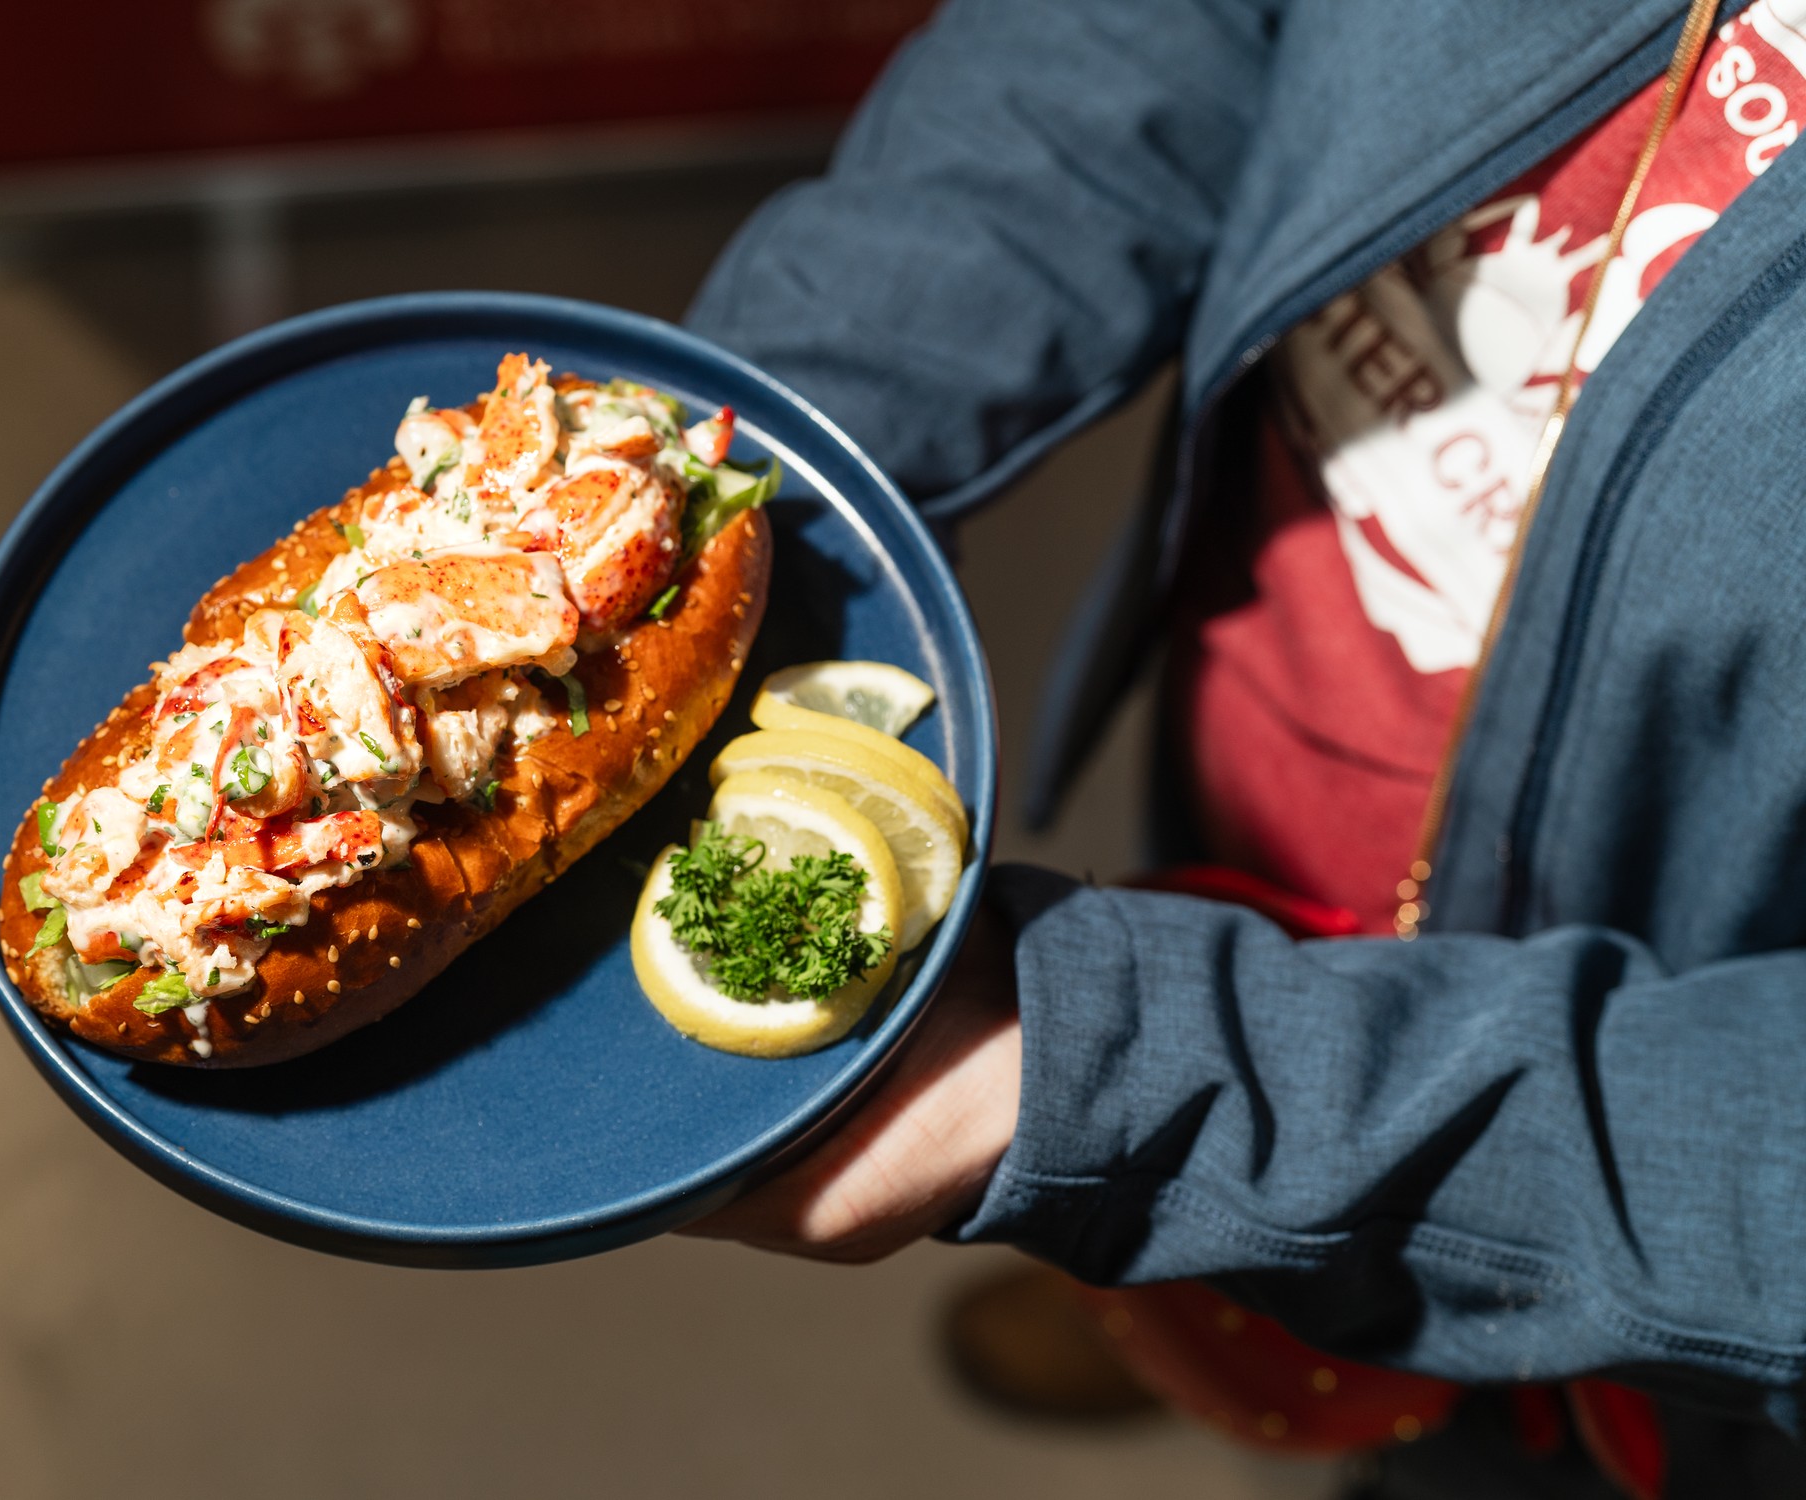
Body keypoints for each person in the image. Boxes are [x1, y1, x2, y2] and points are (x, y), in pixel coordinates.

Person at [677, 0, 1806, 1494]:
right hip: (1260, 809)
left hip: (1665, 1312)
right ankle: (1210, 1301)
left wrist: (1160, 1103)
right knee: (1204, 1194)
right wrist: (732, 467)